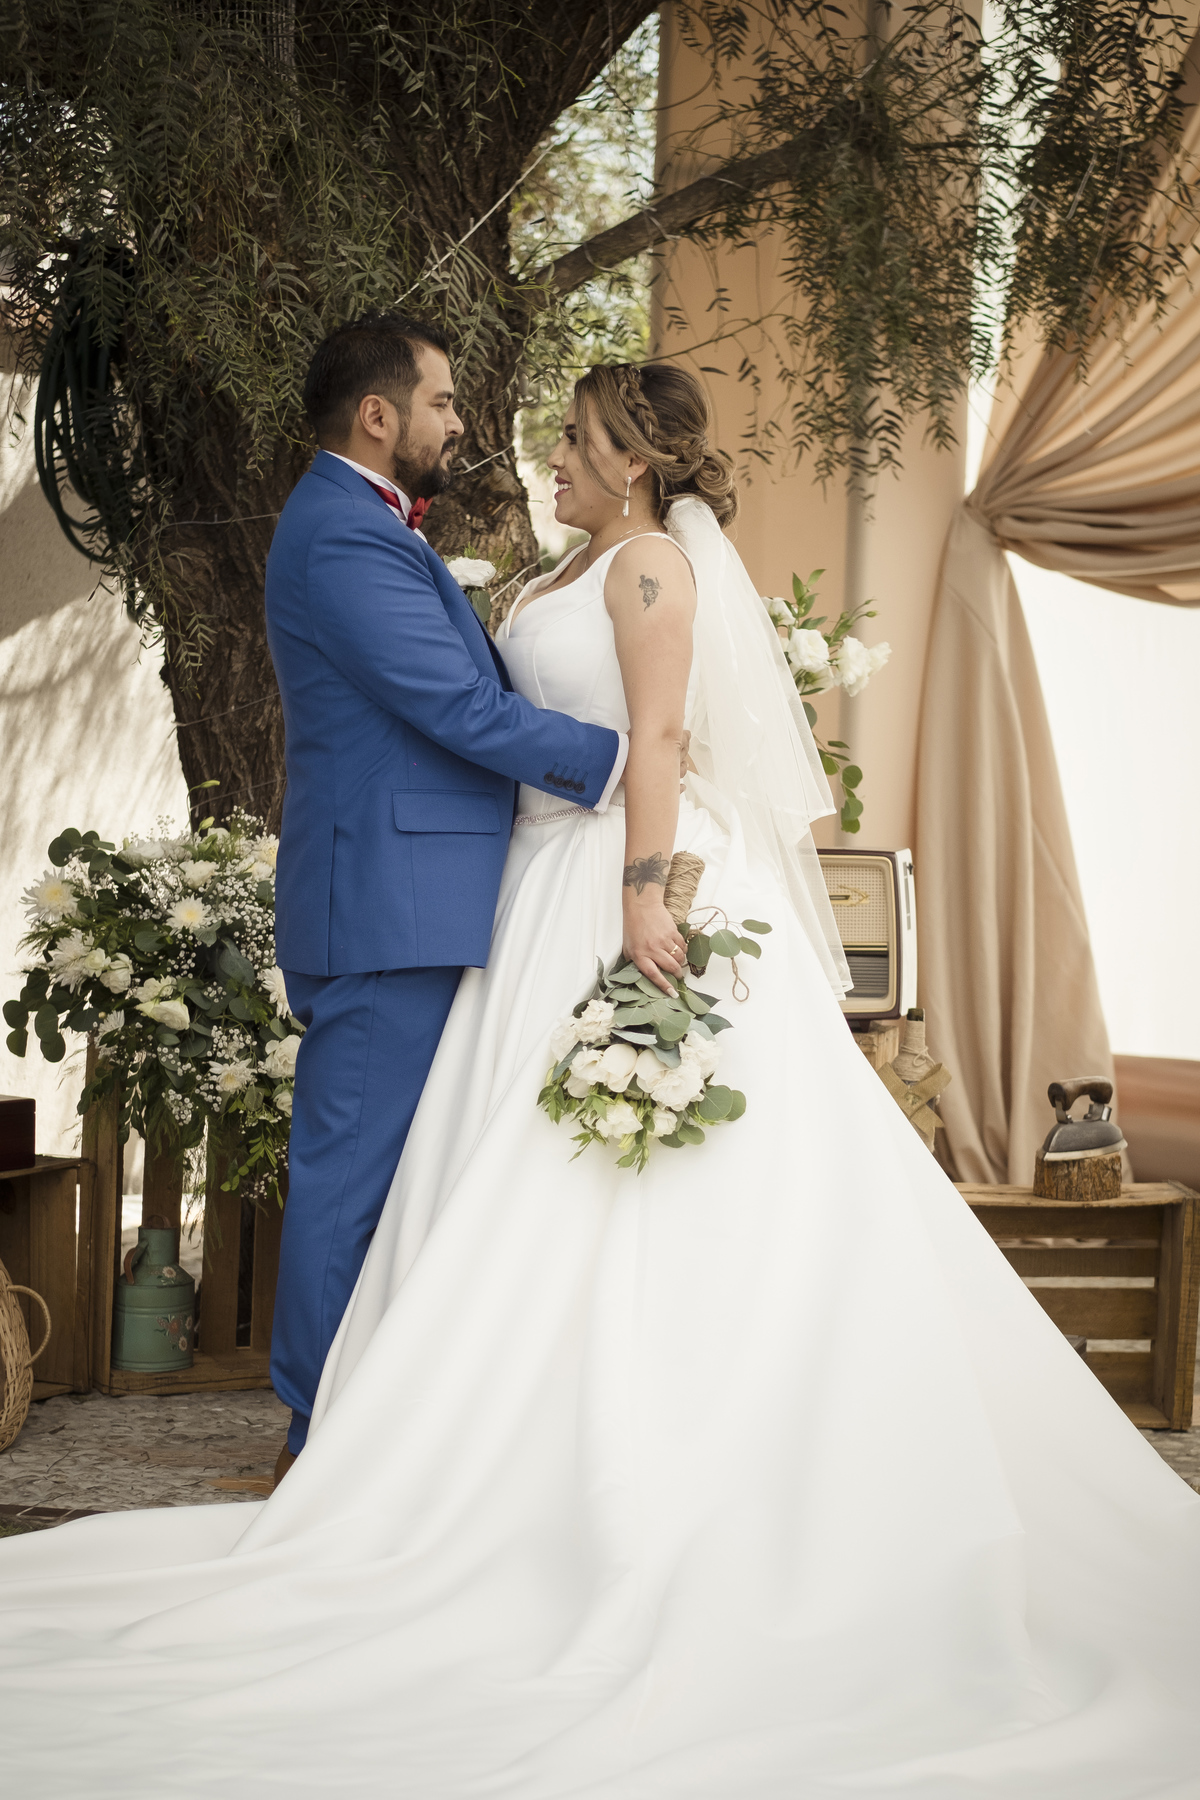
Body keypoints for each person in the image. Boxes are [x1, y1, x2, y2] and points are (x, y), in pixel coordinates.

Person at [1, 361, 1198, 1799]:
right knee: (483, 1177)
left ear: (634, 462)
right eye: (524, 425)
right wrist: (594, 796)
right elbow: (493, 705)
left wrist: (645, 869)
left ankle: (607, 1454)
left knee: (620, 1183)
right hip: (524, 891)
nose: (538, 452)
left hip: (598, 880)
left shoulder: (644, 575)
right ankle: (403, 1447)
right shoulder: (531, 558)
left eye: (572, 439)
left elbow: (665, 739)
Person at [263, 313, 628, 1480]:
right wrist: (621, 764)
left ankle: (366, 1426)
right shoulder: (342, 539)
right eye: (445, 403)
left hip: (414, 890)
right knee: (350, 1178)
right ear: (380, 416)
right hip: (386, 896)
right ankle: (317, 1442)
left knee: (396, 1178)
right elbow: (455, 710)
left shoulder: (361, 528)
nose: (460, 424)